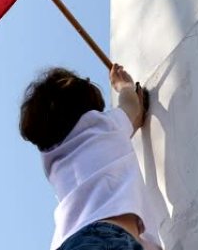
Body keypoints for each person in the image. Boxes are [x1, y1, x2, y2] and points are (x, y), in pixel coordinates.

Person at [20, 63, 162, 250]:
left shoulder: (52, 162)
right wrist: (124, 86)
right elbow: (132, 107)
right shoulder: (104, 126)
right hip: (103, 238)